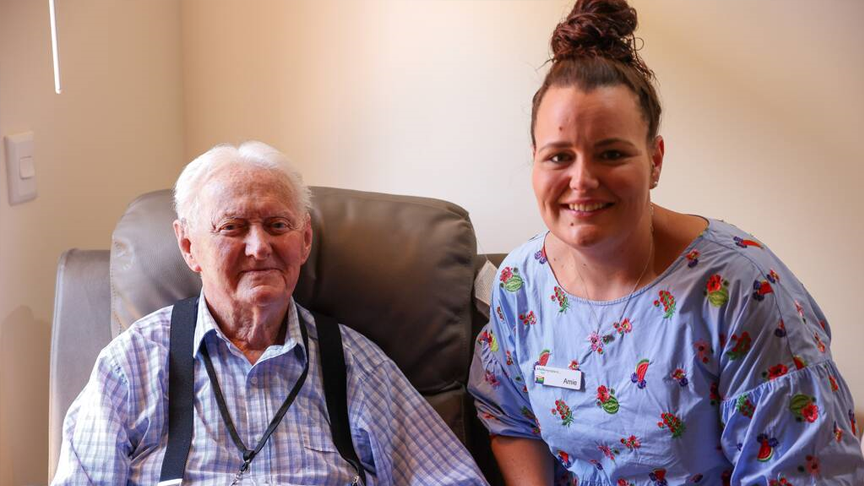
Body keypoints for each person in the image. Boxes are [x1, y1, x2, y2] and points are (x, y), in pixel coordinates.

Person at [468, 1, 864, 485]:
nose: (582, 180)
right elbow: (512, 418)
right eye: (558, 157)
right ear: (534, 160)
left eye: (611, 153)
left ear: (655, 160)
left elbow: (801, 469)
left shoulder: (741, 291)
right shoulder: (520, 285)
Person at [52, 141, 488, 485]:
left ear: (305, 241)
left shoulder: (357, 366)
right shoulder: (129, 367)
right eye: (232, 227)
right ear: (188, 247)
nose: (259, 247)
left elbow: (454, 479)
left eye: (278, 226)